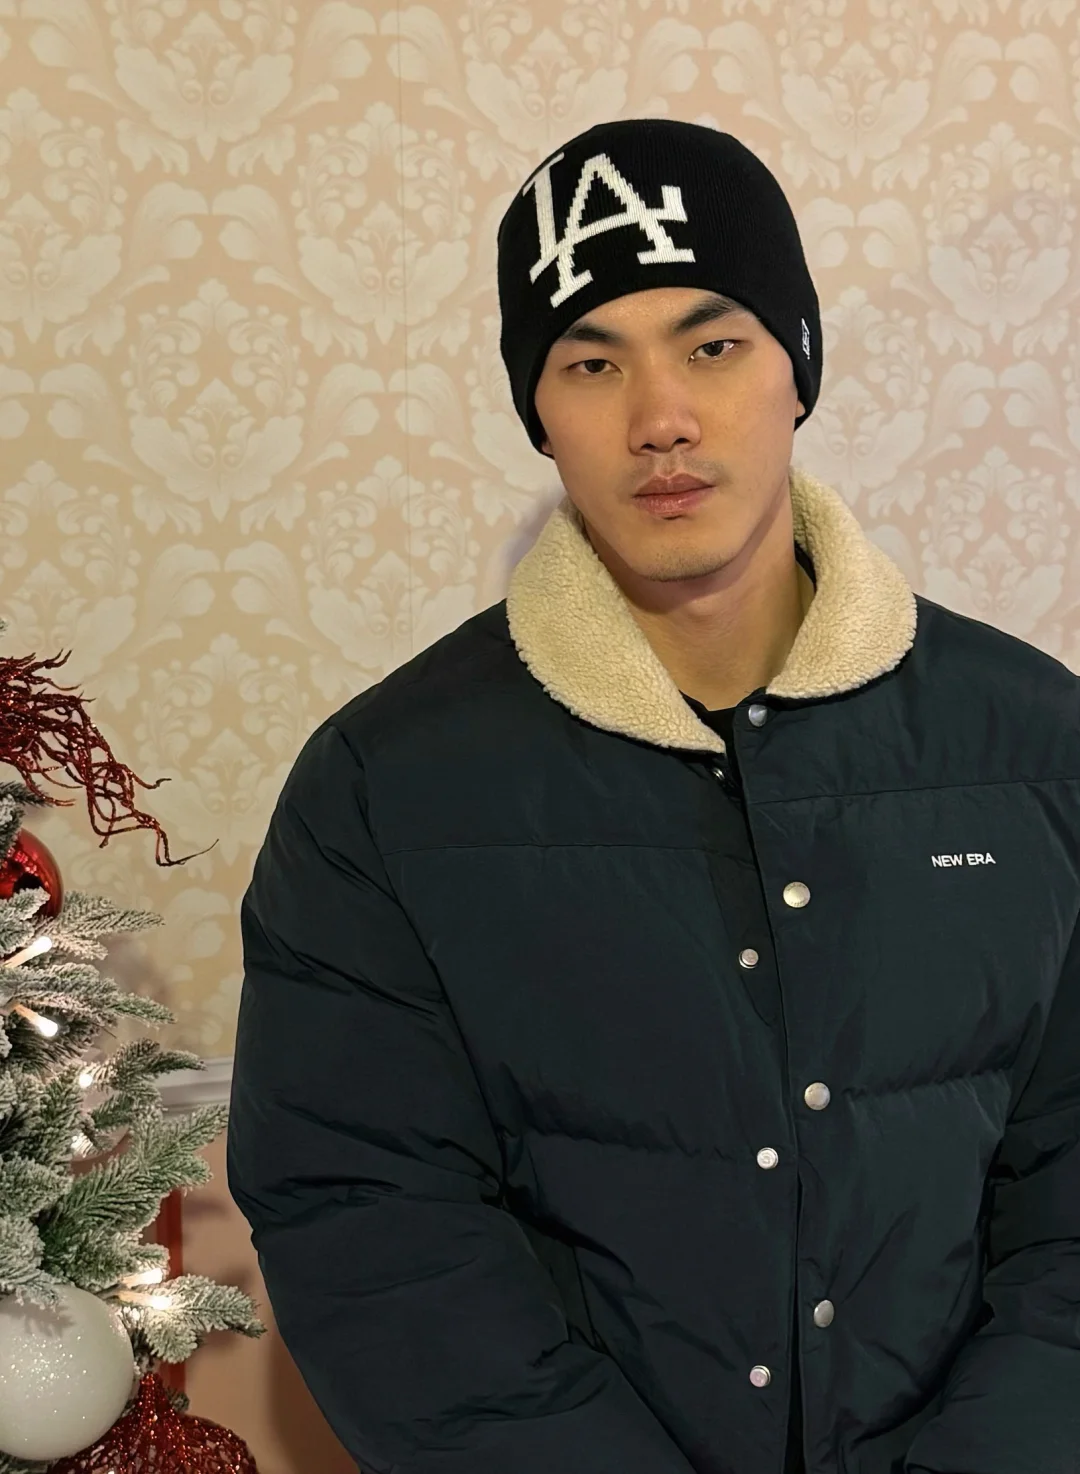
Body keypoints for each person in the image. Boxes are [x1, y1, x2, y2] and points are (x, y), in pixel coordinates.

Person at [226, 118, 1080, 1474]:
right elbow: (372, 1224)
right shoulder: (383, 791)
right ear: (540, 414)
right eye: (592, 362)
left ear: (796, 370)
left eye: (713, 345)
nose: (660, 416)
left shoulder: (1037, 744)